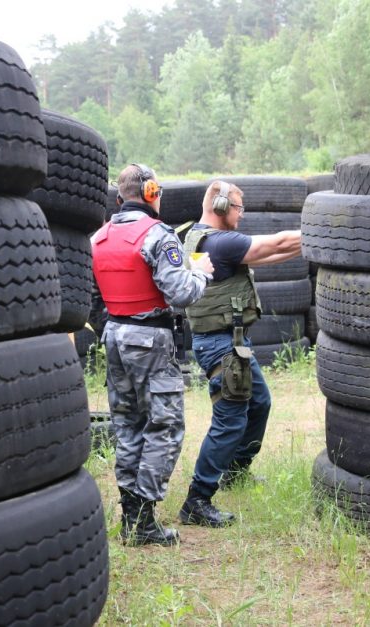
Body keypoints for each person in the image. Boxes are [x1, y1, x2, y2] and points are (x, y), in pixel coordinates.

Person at [92, 163, 214, 547]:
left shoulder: (99, 236)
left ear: (119, 197)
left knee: (128, 426)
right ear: (151, 193)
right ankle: (144, 520)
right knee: (165, 425)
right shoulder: (158, 235)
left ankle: (131, 515)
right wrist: (202, 272)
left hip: (114, 335)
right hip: (150, 339)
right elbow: (181, 293)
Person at [179, 180, 302, 527]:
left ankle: (235, 471)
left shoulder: (196, 237)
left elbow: (275, 253)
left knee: (259, 403)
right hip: (221, 346)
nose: (242, 214)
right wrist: (322, 228)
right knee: (229, 420)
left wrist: (309, 244)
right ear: (219, 206)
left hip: (228, 344)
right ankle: (197, 500)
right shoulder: (221, 242)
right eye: (238, 207)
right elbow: (276, 243)